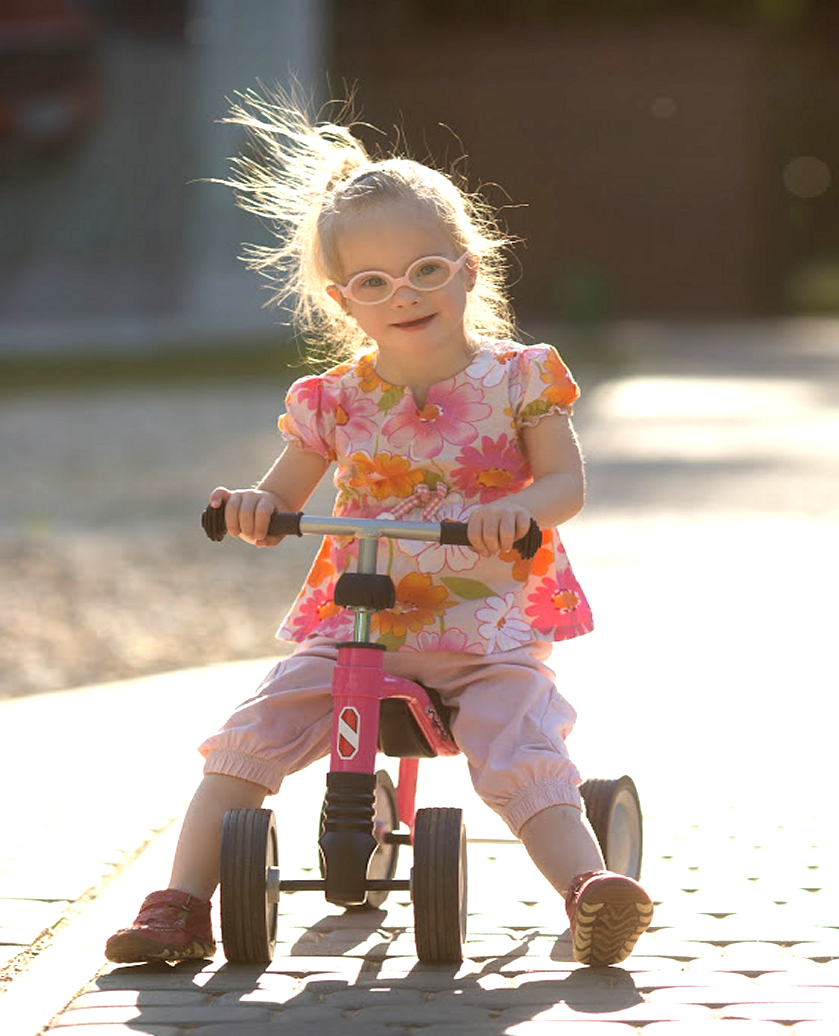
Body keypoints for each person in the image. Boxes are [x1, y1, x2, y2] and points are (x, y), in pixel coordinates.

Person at [105, 89, 652, 968]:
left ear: (468, 267)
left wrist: (516, 509)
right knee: (251, 735)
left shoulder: (519, 378)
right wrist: (249, 508)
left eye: (425, 270)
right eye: (374, 284)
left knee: (519, 744)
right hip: (354, 627)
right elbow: (281, 494)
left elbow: (564, 482)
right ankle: (177, 903)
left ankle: (588, 893)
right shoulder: (333, 399)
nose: (403, 295)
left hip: (485, 626)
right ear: (343, 300)